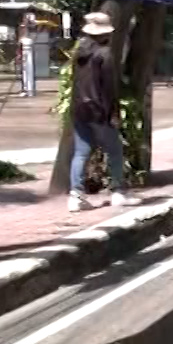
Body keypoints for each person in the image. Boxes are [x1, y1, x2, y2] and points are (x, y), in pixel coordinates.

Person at [66, 11, 137, 212]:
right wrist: (113, 112)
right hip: (99, 110)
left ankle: (75, 195)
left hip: (79, 108)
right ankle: (118, 192)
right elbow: (108, 88)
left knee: (81, 152)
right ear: (104, 33)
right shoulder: (104, 54)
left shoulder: (79, 52)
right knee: (114, 151)